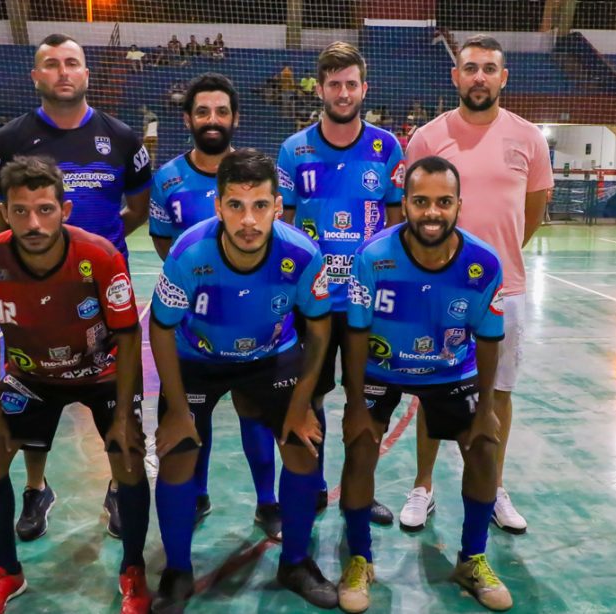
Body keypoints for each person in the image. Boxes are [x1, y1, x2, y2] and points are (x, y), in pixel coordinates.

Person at [0, 33, 151, 542]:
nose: (62, 72)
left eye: (71, 62)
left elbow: (137, 211)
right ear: (36, 76)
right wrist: (40, 261)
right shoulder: (5, 142)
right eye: (50, 64)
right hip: (32, 294)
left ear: (86, 73)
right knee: (37, 383)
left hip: (102, 295)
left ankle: (119, 486)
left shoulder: (123, 139)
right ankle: (37, 488)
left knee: (117, 391)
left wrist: (92, 258)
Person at [149, 148, 336, 611]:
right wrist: (175, 410)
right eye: (235, 205)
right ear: (218, 207)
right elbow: (160, 325)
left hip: (271, 356)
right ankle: (176, 571)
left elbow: (319, 326)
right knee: (176, 455)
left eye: (259, 206)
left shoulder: (302, 254)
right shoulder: (189, 252)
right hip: (198, 359)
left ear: (278, 205)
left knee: (302, 446)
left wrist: (301, 403)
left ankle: (294, 561)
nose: (248, 220)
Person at [0, 155, 150, 614]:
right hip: (29, 376)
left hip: (99, 370)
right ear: (3, 213)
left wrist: (124, 418)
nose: (33, 221)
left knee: (128, 455)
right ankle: (6, 570)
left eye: (44, 209)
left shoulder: (100, 256)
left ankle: (133, 569)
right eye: (20, 210)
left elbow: (128, 336)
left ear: (64, 210)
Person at [341, 155, 512, 612]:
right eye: (420, 201)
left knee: (483, 447)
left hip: (450, 370)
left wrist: (486, 410)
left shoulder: (482, 263)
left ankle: (472, 558)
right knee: (360, 446)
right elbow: (354, 334)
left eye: (442, 202)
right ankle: (360, 558)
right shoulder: (372, 258)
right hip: (383, 368)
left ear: (459, 205)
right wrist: (355, 403)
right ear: (405, 202)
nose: (431, 212)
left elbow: (490, 338)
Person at [404, 34, 553, 535]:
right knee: (430, 387)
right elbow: (412, 210)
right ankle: (422, 486)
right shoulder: (426, 137)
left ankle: (491, 486)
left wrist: (495, 260)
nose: (480, 77)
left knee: (499, 392)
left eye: (490, 68)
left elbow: (533, 209)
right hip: (435, 288)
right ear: (456, 76)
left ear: (503, 77)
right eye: (471, 68)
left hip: (502, 289)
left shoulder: (529, 137)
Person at [148, 74, 282, 540]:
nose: (212, 120)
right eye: (202, 112)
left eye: (221, 111)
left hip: (258, 323)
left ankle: (268, 502)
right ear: (188, 118)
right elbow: (165, 243)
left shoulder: (257, 176)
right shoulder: (167, 179)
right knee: (193, 418)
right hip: (194, 330)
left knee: (255, 413)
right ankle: (198, 495)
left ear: (235, 118)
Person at [277, 41, 405, 525]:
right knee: (308, 396)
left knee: (364, 399)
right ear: (321, 89)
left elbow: (396, 228)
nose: (344, 92)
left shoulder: (387, 147)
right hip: (311, 301)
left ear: (363, 88)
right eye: (335, 84)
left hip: (365, 302)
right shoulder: (295, 149)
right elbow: (283, 228)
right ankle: (311, 486)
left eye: (351, 83)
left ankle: (359, 490)